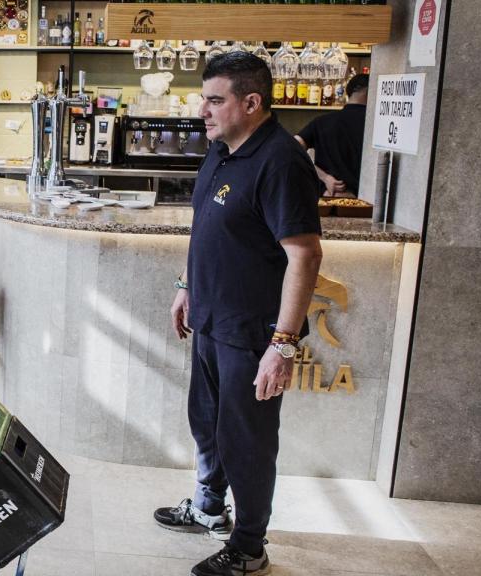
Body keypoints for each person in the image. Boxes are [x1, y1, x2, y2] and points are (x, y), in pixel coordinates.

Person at [154, 52, 323, 576]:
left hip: (251, 330)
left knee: (245, 441)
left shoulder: (280, 161)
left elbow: (305, 254)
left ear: (251, 103)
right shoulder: (223, 150)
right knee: (207, 424)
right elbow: (207, 225)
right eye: (203, 98)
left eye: (214, 99)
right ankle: (208, 507)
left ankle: (249, 544)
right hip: (209, 317)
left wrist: (283, 344)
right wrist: (187, 285)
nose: (201, 110)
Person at [295, 74, 369, 197]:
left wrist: (325, 178)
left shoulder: (322, 121)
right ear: (370, 92)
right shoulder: (374, 125)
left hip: (326, 199)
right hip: (362, 202)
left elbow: (291, 149)